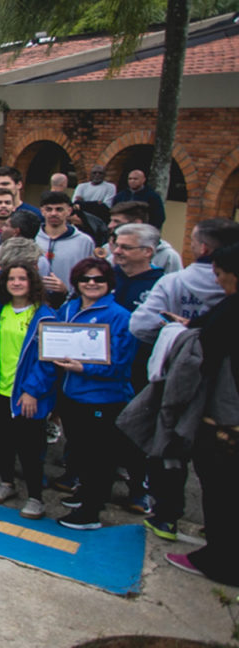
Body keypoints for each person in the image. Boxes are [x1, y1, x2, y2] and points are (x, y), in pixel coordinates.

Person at [160, 242, 239, 584]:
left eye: (220, 275)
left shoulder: (232, 310)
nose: (218, 282)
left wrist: (186, 334)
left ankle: (220, 559)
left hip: (226, 416)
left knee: (221, 487)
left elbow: (206, 347)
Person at [50, 256, 136, 530]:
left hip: (104, 397)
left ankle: (90, 513)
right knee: (80, 452)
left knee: (100, 456)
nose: (91, 283)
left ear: (109, 283)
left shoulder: (120, 316)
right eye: (85, 278)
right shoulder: (68, 308)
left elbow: (121, 365)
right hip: (72, 395)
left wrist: (83, 367)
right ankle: (86, 495)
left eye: (98, 279)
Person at [0, 264, 59, 520]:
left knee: (30, 448)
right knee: (2, 441)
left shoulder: (45, 315)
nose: (16, 283)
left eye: (22, 279)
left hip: (26, 394)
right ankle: (7, 483)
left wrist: (32, 391)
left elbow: (48, 360)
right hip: (1, 390)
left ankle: (35, 497)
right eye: (11, 279)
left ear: (32, 282)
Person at [36, 191, 97, 304]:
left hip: (70, 304)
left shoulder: (84, 241)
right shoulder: (32, 237)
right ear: (42, 211)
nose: (54, 213)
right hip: (33, 303)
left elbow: (90, 274)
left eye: (59, 209)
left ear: (69, 211)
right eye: (49, 209)